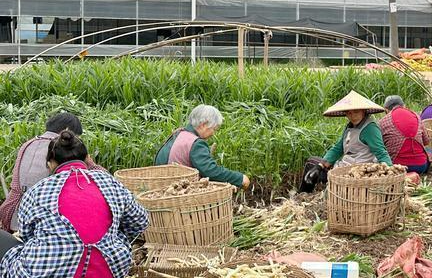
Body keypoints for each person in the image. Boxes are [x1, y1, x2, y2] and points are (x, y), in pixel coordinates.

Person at [0, 130, 148, 277]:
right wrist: (112, 233)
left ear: (50, 164)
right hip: (111, 269)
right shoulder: (109, 182)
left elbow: (27, 235)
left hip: (48, 271)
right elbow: (139, 221)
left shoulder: (38, 190)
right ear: (88, 158)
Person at [0, 112, 104, 233]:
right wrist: (90, 162)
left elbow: (16, 188)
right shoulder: (62, 148)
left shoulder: (27, 144)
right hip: (43, 221)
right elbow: (99, 177)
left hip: (12, 214)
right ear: (67, 131)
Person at [155, 104, 250, 189]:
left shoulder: (178, 134)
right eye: (214, 129)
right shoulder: (196, 144)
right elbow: (211, 171)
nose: (213, 133)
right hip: (175, 192)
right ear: (203, 125)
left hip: (159, 186)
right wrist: (239, 178)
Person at [319, 90, 392, 169]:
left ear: (363, 111)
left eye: (356, 112)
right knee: (313, 163)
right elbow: (338, 148)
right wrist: (321, 165)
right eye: (349, 113)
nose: (353, 116)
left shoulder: (370, 128)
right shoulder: (349, 127)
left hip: (362, 170)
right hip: (346, 166)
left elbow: (380, 152)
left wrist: (390, 169)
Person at [378, 95, 431, 174]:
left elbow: (380, 147)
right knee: (430, 150)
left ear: (386, 109)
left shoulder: (383, 121)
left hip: (395, 168)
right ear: (404, 105)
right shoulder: (416, 116)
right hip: (420, 166)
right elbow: (426, 141)